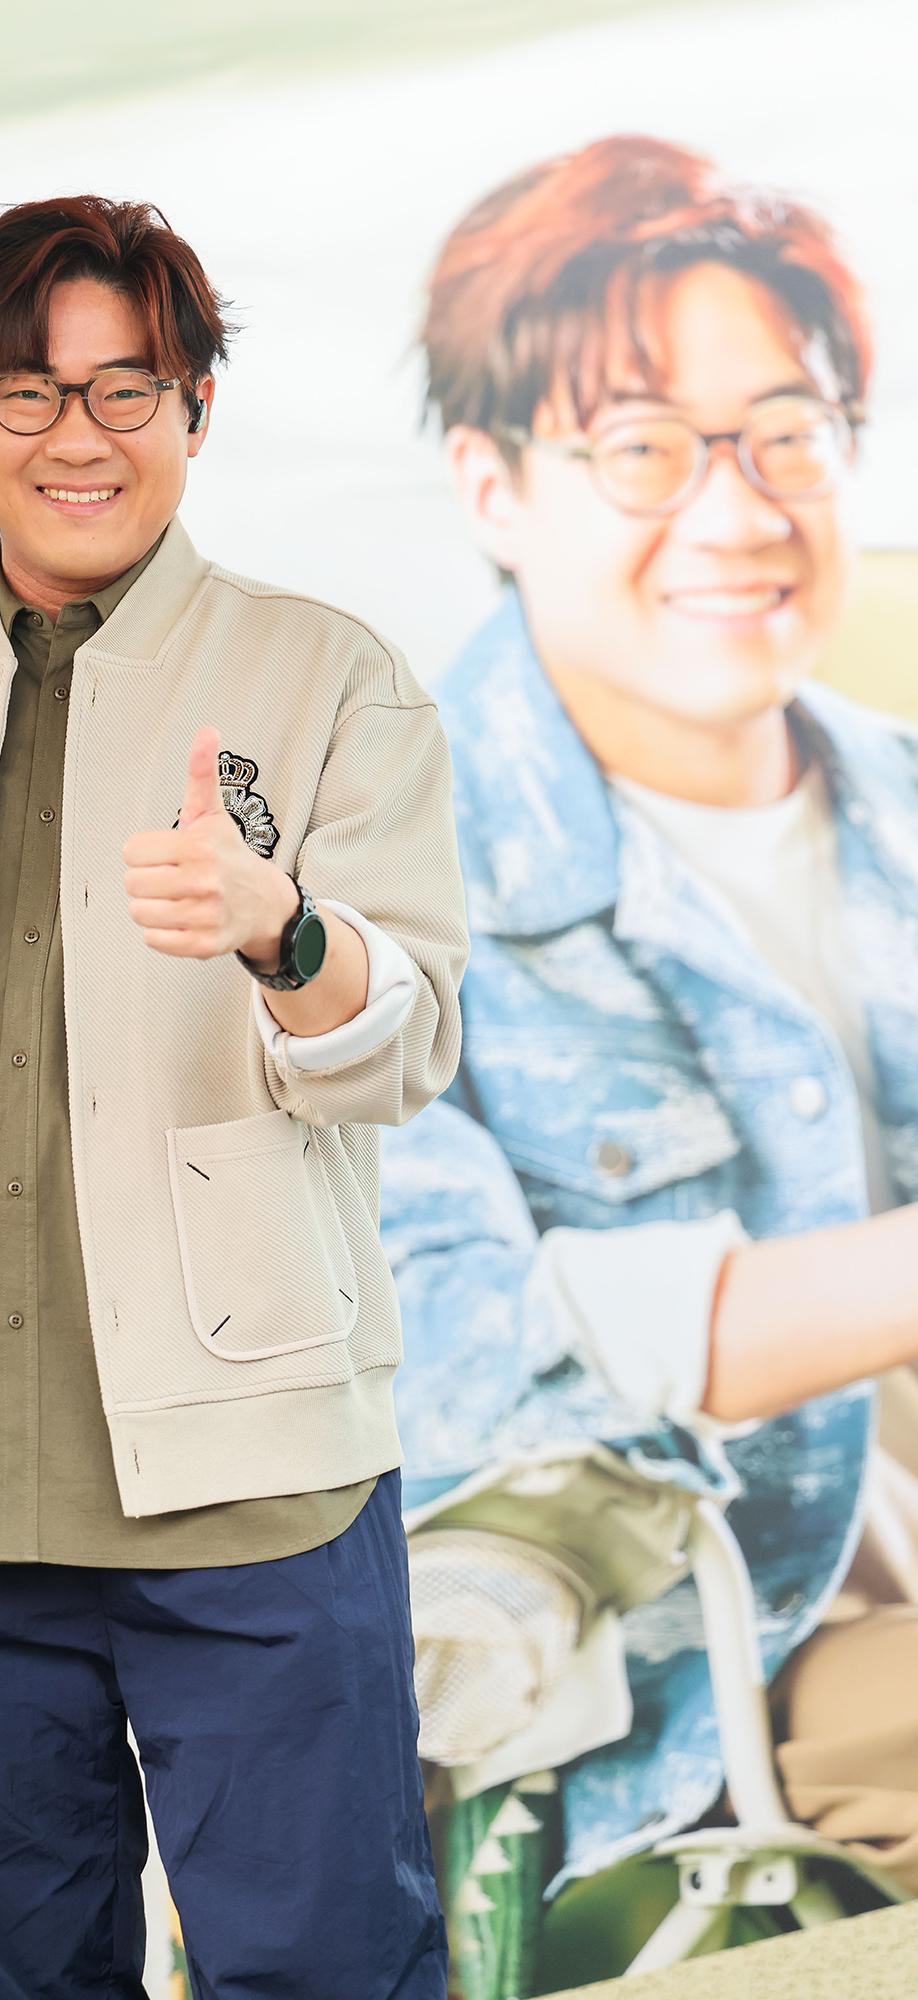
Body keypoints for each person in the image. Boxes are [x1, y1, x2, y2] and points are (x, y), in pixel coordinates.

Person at [0, 195, 468, 1999]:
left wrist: (283, 934)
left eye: (127, 389)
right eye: (27, 393)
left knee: (326, 1970)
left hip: (250, 1489)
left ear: (195, 409)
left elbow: (407, 1041)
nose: (78, 437)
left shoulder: (327, 676)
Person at [381, 133, 918, 1904]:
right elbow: (441, 1366)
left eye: (786, 432)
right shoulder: (354, 893)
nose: (738, 511)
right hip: (700, 1691)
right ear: (490, 485)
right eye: (640, 448)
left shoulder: (904, 804)